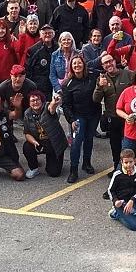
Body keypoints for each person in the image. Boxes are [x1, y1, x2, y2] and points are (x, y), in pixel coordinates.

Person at [59, 55, 99, 183]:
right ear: (71, 67)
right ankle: (73, 170)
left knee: (89, 139)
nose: (77, 65)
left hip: (93, 115)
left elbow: (105, 71)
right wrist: (71, 120)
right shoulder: (67, 84)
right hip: (77, 117)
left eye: (79, 63)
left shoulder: (93, 76)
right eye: (74, 64)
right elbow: (66, 105)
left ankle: (86, 163)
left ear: (84, 64)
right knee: (76, 142)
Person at [22, 91, 68, 178]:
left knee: (54, 173)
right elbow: (27, 133)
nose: (35, 102)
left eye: (37, 100)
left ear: (42, 100)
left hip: (53, 142)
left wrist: (54, 103)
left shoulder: (47, 106)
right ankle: (34, 168)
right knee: (27, 146)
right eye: (32, 101)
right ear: (29, 103)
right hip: (39, 141)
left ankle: (54, 159)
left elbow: (52, 108)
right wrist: (34, 142)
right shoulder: (27, 113)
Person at [107, 148, 136, 230]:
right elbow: (111, 190)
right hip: (121, 203)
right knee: (135, 226)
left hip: (131, 200)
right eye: (126, 162)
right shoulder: (117, 174)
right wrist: (115, 201)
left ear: (135, 161)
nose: (128, 165)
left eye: (131, 162)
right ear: (122, 162)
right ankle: (117, 214)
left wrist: (132, 200)